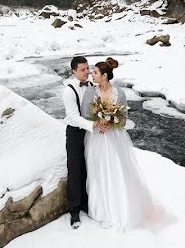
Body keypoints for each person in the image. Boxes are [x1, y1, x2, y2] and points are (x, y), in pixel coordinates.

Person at [81, 57, 154, 230]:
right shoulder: (91, 92)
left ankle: (120, 206)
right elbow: (85, 113)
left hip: (114, 138)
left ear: (104, 75)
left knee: (115, 168)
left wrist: (111, 122)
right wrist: (98, 121)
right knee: (97, 170)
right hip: (95, 137)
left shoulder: (119, 93)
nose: (92, 75)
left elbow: (124, 118)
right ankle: (101, 211)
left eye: (96, 73)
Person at [60, 55, 104, 229]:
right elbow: (73, 117)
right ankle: (74, 210)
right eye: (83, 70)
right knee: (75, 169)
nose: (87, 72)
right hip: (75, 133)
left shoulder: (93, 85)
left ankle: (87, 202)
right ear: (74, 71)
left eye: (88, 68)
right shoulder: (69, 91)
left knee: (90, 167)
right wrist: (93, 125)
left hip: (91, 133)